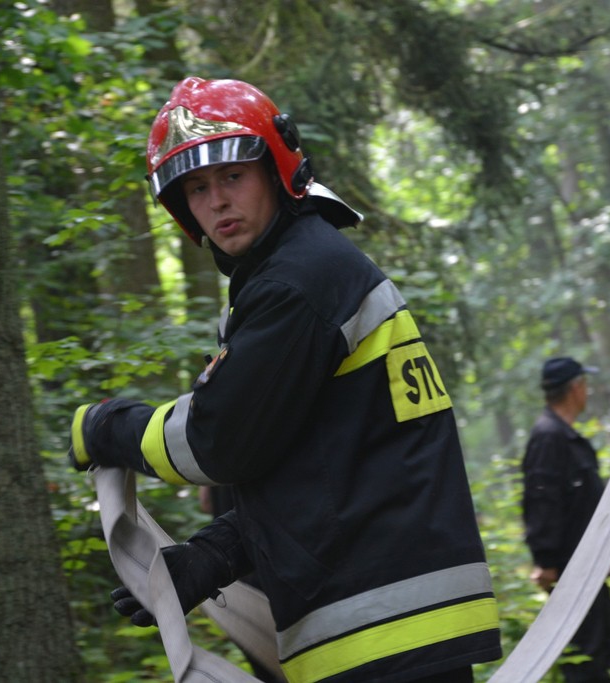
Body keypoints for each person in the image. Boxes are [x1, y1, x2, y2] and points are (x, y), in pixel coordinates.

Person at [67, 76, 502, 683]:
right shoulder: (306, 269)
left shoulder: (295, 283)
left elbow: (214, 441)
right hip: (393, 622)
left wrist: (110, 427)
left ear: (276, 169)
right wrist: (212, 558)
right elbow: (326, 467)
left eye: (231, 177)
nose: (216, 202)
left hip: (378, 627)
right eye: (195, 187)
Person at [521, 356, 610, 683]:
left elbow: (585, 506)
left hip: (590, 567)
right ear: (576, 388)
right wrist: (546, 560)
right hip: (570, 573)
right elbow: (542, 501)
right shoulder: (549, 437)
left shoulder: (566, 437)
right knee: (585, 658)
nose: (587, 392)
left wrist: (606, 550)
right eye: (585, 385)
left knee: (605, 644)